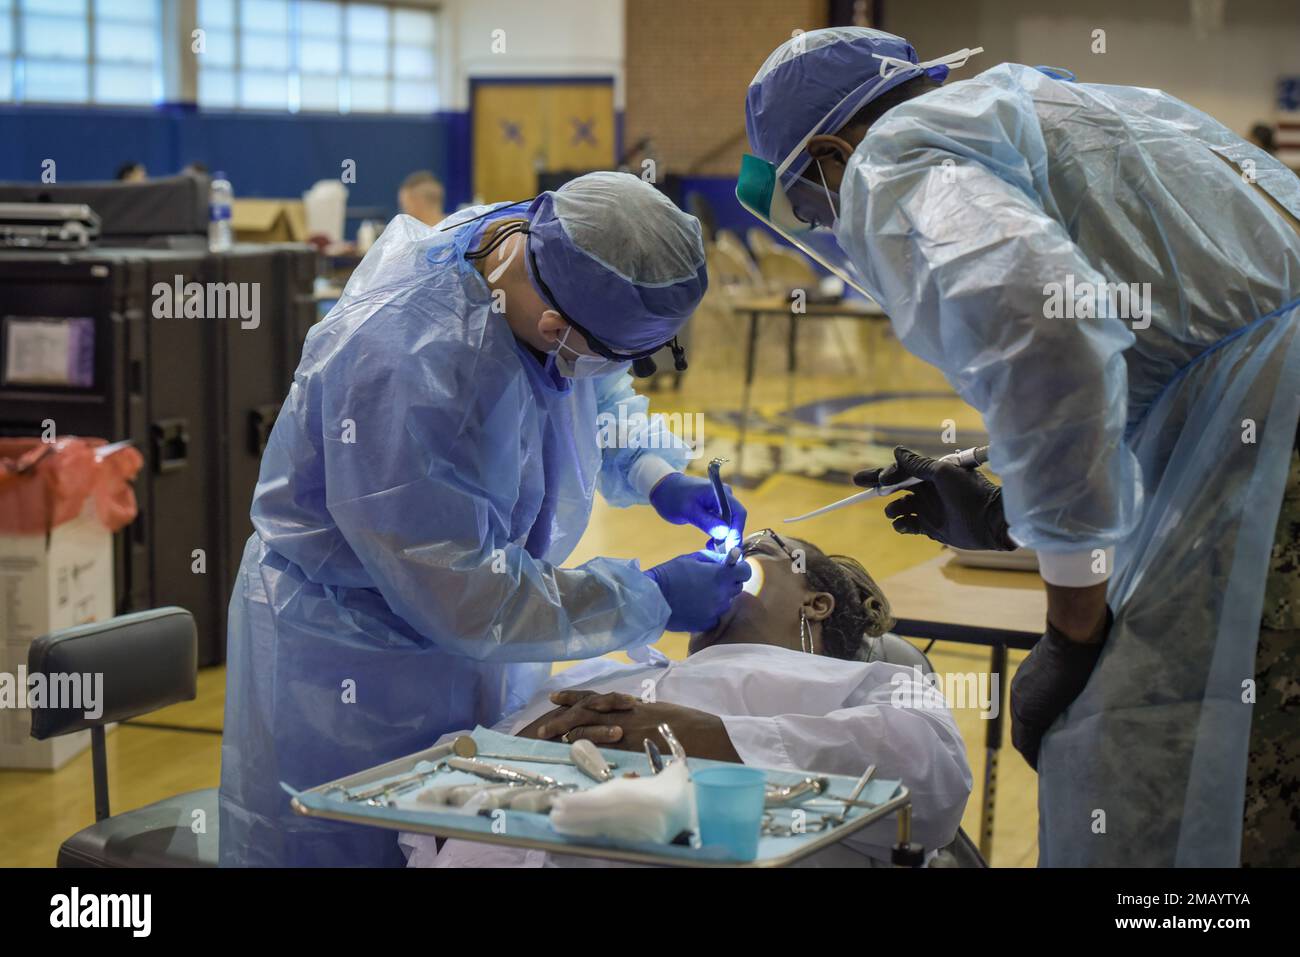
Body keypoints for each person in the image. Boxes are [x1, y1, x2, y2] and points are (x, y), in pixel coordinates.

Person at [743, 27, 1300, 866]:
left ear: (831, 148)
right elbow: (1144, 359)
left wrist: (1072, 632)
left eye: (817, 202)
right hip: (1257, 425)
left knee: (1154, 770)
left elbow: (1052, 333)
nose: (832, 222)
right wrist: (1013, 516)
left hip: (1269, 459)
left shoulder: (896, 156)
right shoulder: (1043, 109)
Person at [219, 171, 751, 867]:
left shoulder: (539, 253)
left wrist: (656, 475)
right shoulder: (405, 366)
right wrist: (650, 598)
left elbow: (591, 384)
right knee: (353, 841)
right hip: (349, 663)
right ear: (557, 327)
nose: (608, 369)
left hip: (461, 637)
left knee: (461, 845)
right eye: (613, 351)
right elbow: (468, 592)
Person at [399, 529, 972, 867]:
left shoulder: (862, 686)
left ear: (815, 603)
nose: (726, 557)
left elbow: (931, 779)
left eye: (757, 548)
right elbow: (425, 802)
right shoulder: (604, 677)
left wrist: (711, 739)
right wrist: (513, 756)